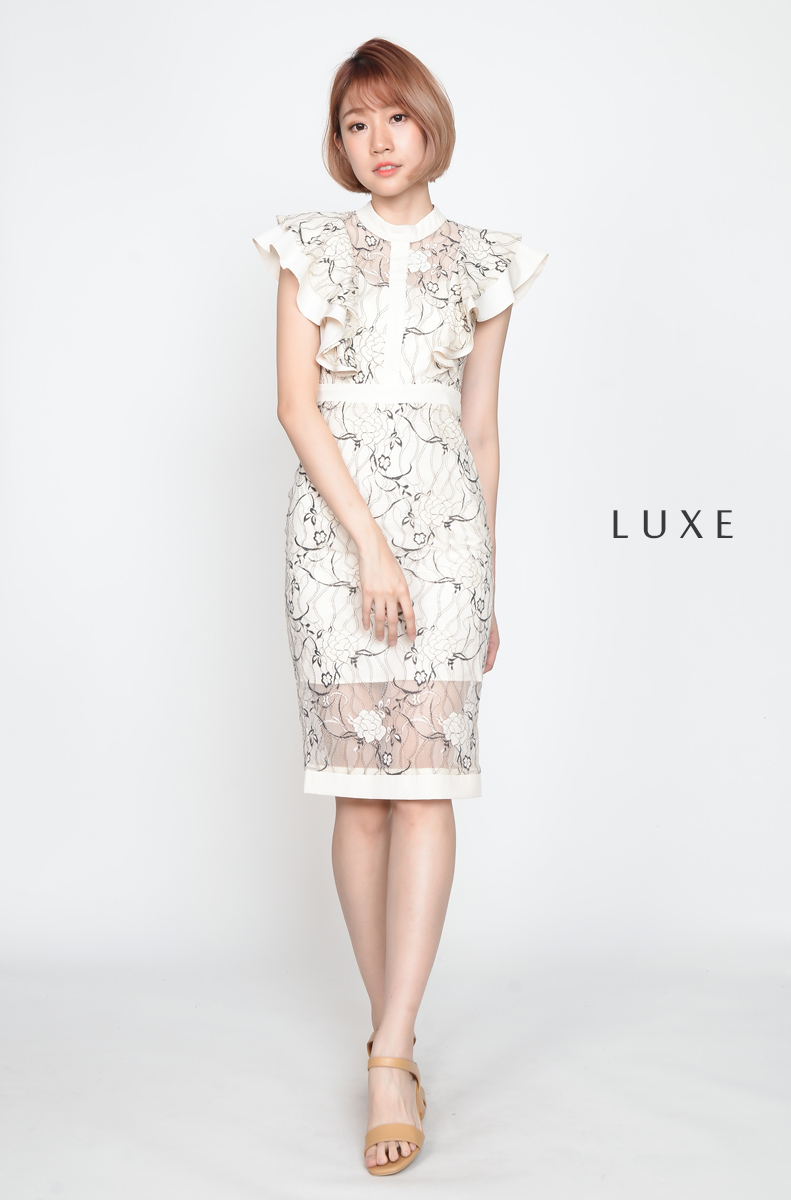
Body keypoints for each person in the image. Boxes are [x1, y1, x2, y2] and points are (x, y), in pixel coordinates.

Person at [252, 36, 548, 1176]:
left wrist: (485, 578)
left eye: (394, 118)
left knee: (426, 789)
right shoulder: (308, 247)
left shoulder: (485, 261)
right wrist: (371, 549)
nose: (376, 141)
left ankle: (390, 1049)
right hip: (337, 541)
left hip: (447, 545)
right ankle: (393, 1038)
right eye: (354, 123)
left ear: (430, 123)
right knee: (360, 795)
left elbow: (481, 431)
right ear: (339, 143)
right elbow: (295, 406)